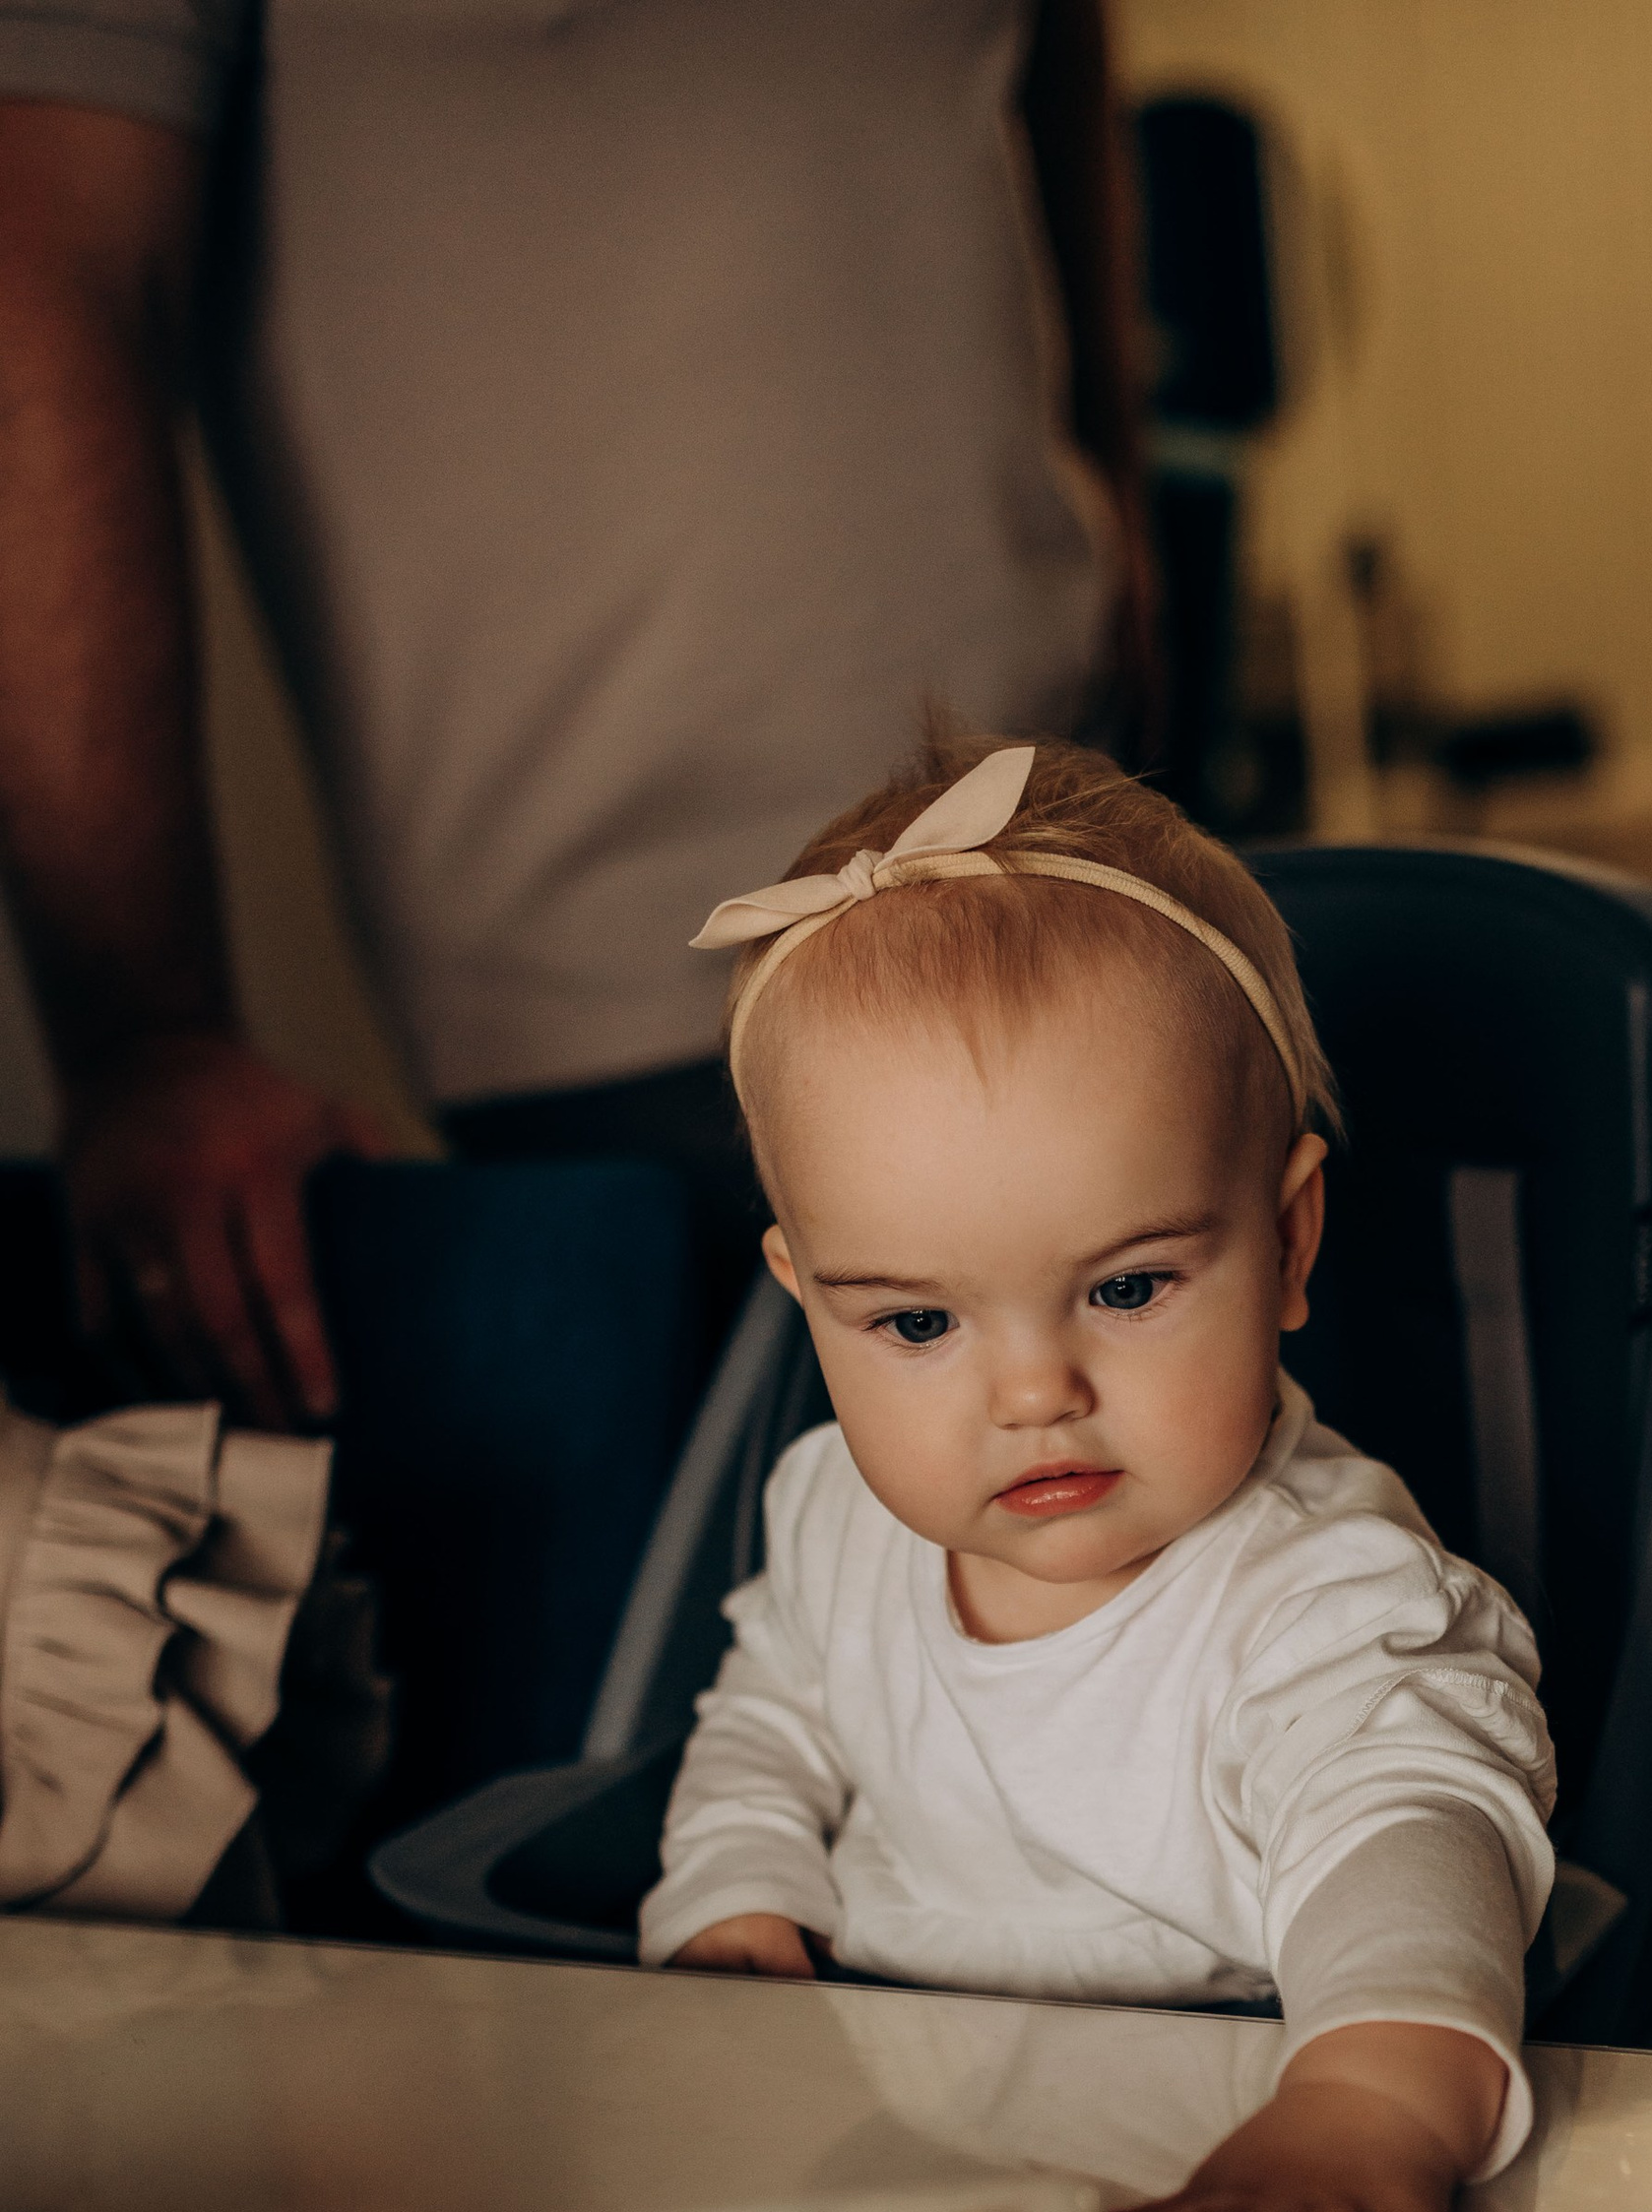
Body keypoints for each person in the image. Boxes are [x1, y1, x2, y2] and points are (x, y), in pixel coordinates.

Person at [0, 6, 1149, 1429]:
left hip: (1119, 851)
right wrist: (143, 1038)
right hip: (647, 1023)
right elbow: (38, 264)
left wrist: (1121, 483)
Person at [646, 731, 1554, 2212]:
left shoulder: (1324, 1600)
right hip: (904, 2211)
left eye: (1128, 1287)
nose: (1034, 1391)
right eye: (915, 1319)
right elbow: (771, 1716)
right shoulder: (837, 1517)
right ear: (807, 1299)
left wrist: (1359, 2115)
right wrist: (738, 1899)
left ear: (1287, 1242)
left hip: (1237, 2204)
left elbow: (1411, 1844)